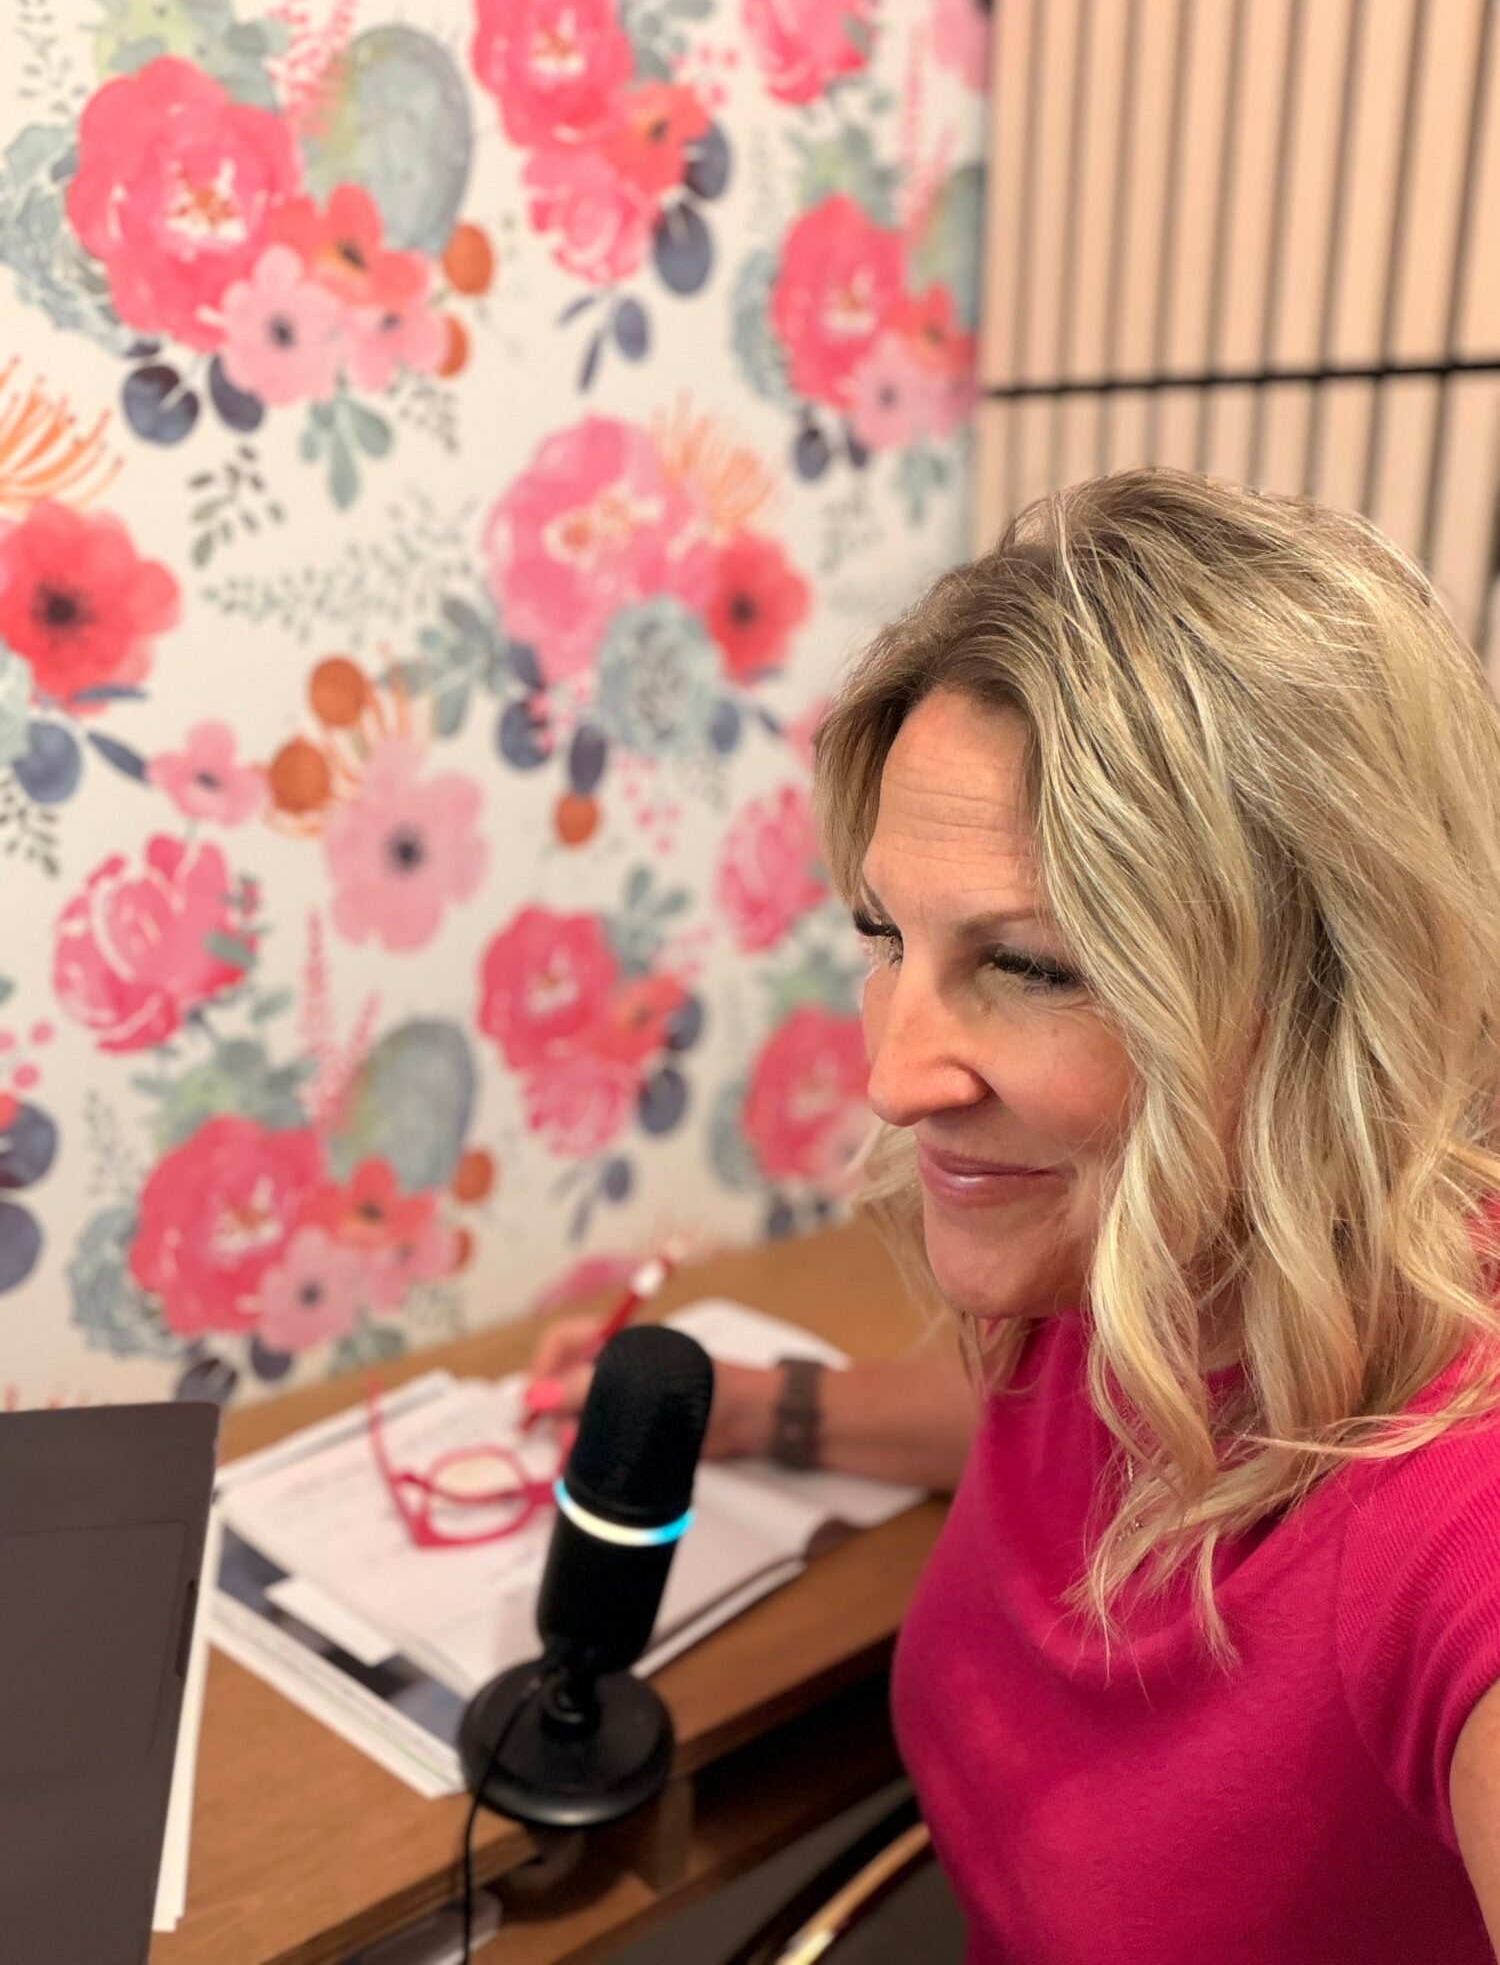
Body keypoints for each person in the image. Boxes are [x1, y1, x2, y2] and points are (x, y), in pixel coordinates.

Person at [526, 470, 1500, 1962]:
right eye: (885, 941)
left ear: (1330, 1002)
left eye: (1032, 965)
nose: (893, 1074)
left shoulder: (1455, 1519)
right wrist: (747, 1407)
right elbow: (1055, 1425)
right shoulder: (1125, 1259)